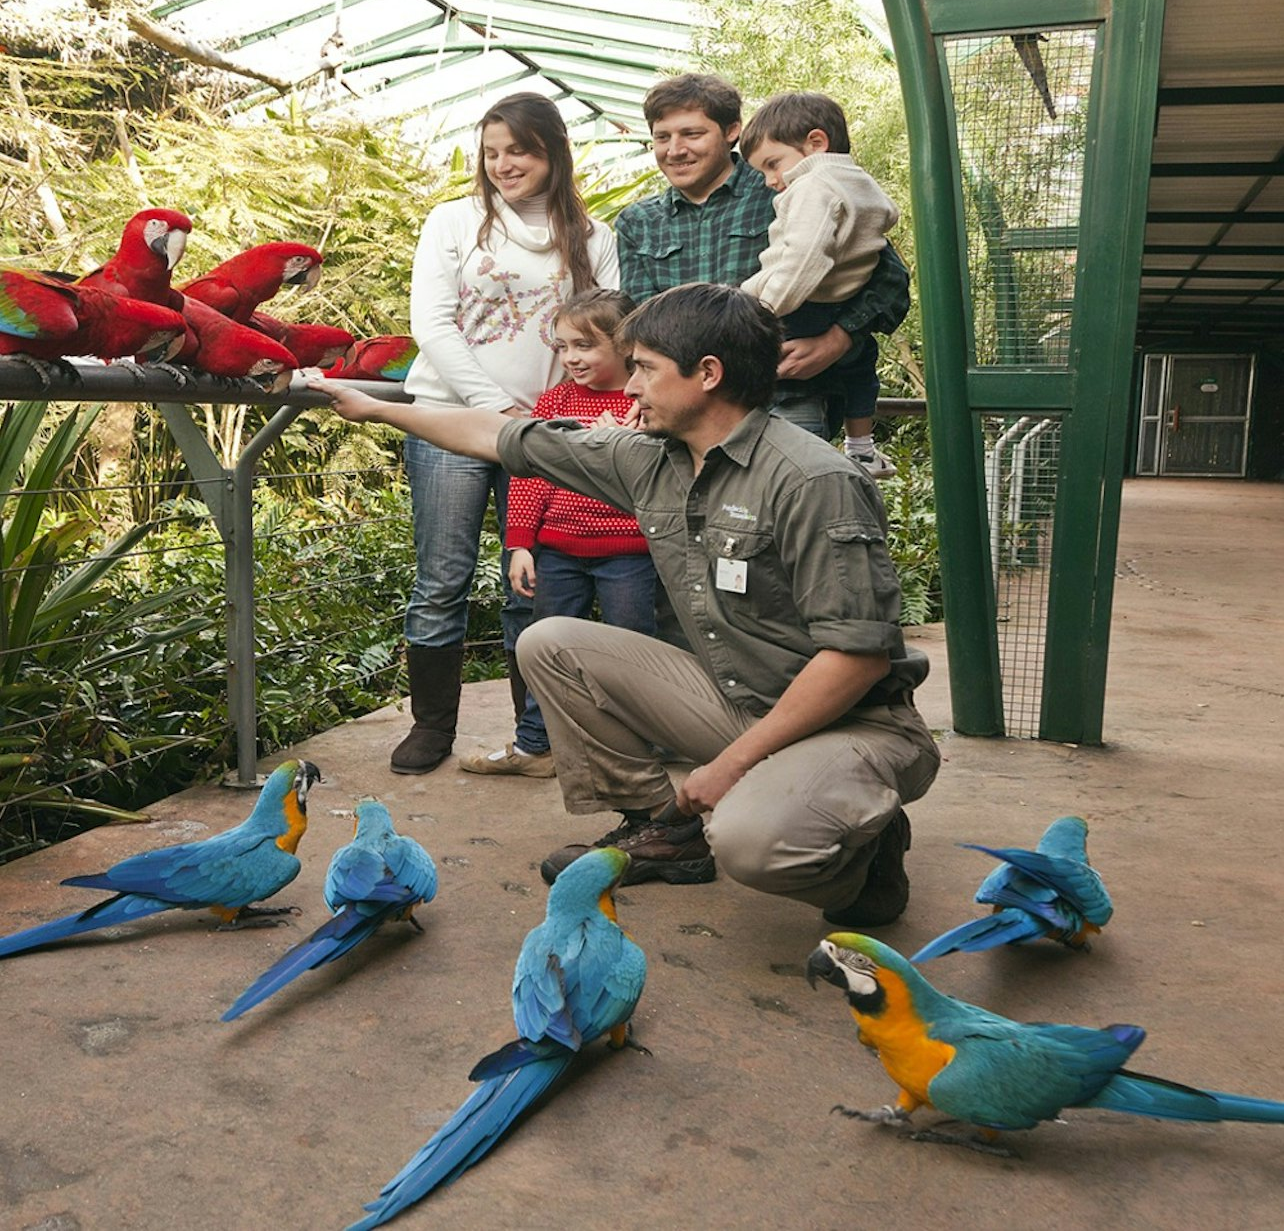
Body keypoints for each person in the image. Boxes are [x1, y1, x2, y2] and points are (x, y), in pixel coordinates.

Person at [310, 282, 939, 928]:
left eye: (644, 367)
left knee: (755, 844)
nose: (630, 386)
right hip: (740, 701)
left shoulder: (813, 480)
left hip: (854, 726)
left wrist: (728, 768)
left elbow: (856, 658)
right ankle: (661, 830)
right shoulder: (652, 461)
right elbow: (499, 435)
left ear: (708, 375)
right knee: (550, 642)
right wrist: (374, 410)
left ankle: (866, 861)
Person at [390, 91, 618, 776]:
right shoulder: (454, 222)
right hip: (450, 420)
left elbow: (611, 330)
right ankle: (432, 727)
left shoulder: (594, 237)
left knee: (533, 581)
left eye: (518, 150)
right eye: (491, 152)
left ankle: (535, 735)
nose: (502, 164)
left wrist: (549, 416)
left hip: (545, 434)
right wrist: (496, 406)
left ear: (552, 152)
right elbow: (432, 324)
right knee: (442, 578)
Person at [613, 73, 909, 472]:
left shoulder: (788, 183)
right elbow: (643, 324)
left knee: (790, 516)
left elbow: (887, 277)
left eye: (692, 134)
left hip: (785, 397)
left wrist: (838, 339)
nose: (675, 150)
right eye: (662, 137)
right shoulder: (637, 222)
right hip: (685, 412)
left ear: (731, 131)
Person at [458, 288, 657, 778]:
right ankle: (536, 745)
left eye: (584, 346)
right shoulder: (556, 401)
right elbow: (531, 475)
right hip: (559, 552)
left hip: (629, 554)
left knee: (631, 651)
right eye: (563, 346)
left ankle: (633, 750)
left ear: (625, 345)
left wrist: (632, 439)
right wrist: (521, 544)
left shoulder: (648, 403)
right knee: (542, 646)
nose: (570, 358)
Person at [739, 92, 901, 478]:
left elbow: (801, 261)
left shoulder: (813, 187)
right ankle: (862, 448)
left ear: (816, 143)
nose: (771, 180)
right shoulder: (858, 182)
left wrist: (761, 310)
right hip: (837, 305)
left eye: (773, 165)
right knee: (861, 366)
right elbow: (885, 220)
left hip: (801, 305)